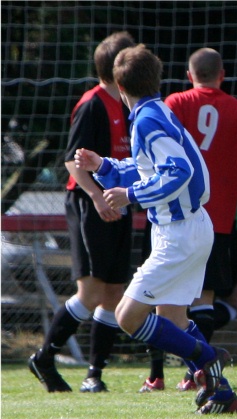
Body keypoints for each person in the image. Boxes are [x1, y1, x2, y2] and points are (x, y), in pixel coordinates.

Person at [72, 44, 237, 415]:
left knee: (128, 317)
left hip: (178, 233)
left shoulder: (146, 119)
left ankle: (210, 359)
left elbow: (179, 171)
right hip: (187, 228)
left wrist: (129, 194)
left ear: (118, 85)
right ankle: (223, 394)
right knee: (174, 321)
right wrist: (104, 166)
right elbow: (149, 165)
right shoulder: (155, 111)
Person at [137, 47, 237, 395]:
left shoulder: (174, 104)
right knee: (203, 298)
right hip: (218, 217)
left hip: (174, 215)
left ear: (188, 74)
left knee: (157, 297)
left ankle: (159, 374)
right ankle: (194, 371)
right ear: (222, 74)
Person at [28, 31, 137, 394]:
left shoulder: (128, 104)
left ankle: (94, 374)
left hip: (115, 203)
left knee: (114, 291)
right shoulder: (92, 104)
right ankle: (44, 356)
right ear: (119, 67)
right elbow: (72, 163)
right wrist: (96, 196)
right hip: (89, 204)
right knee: (90, 292)